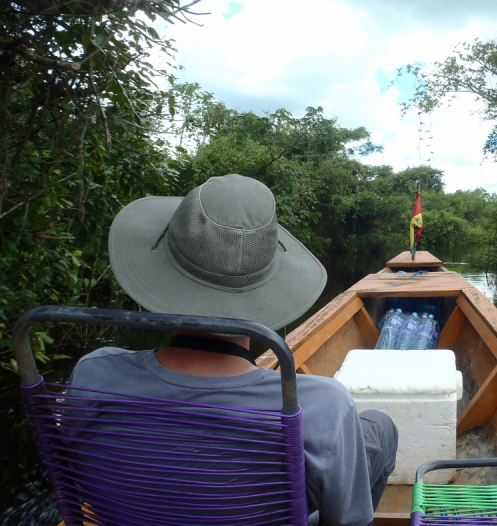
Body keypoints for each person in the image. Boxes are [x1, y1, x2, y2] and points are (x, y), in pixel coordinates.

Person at [68, 173, 398, 526]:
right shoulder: (323, 407)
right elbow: (347, 519)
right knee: (380, 427)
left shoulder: (94, 374)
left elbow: (74, 471)